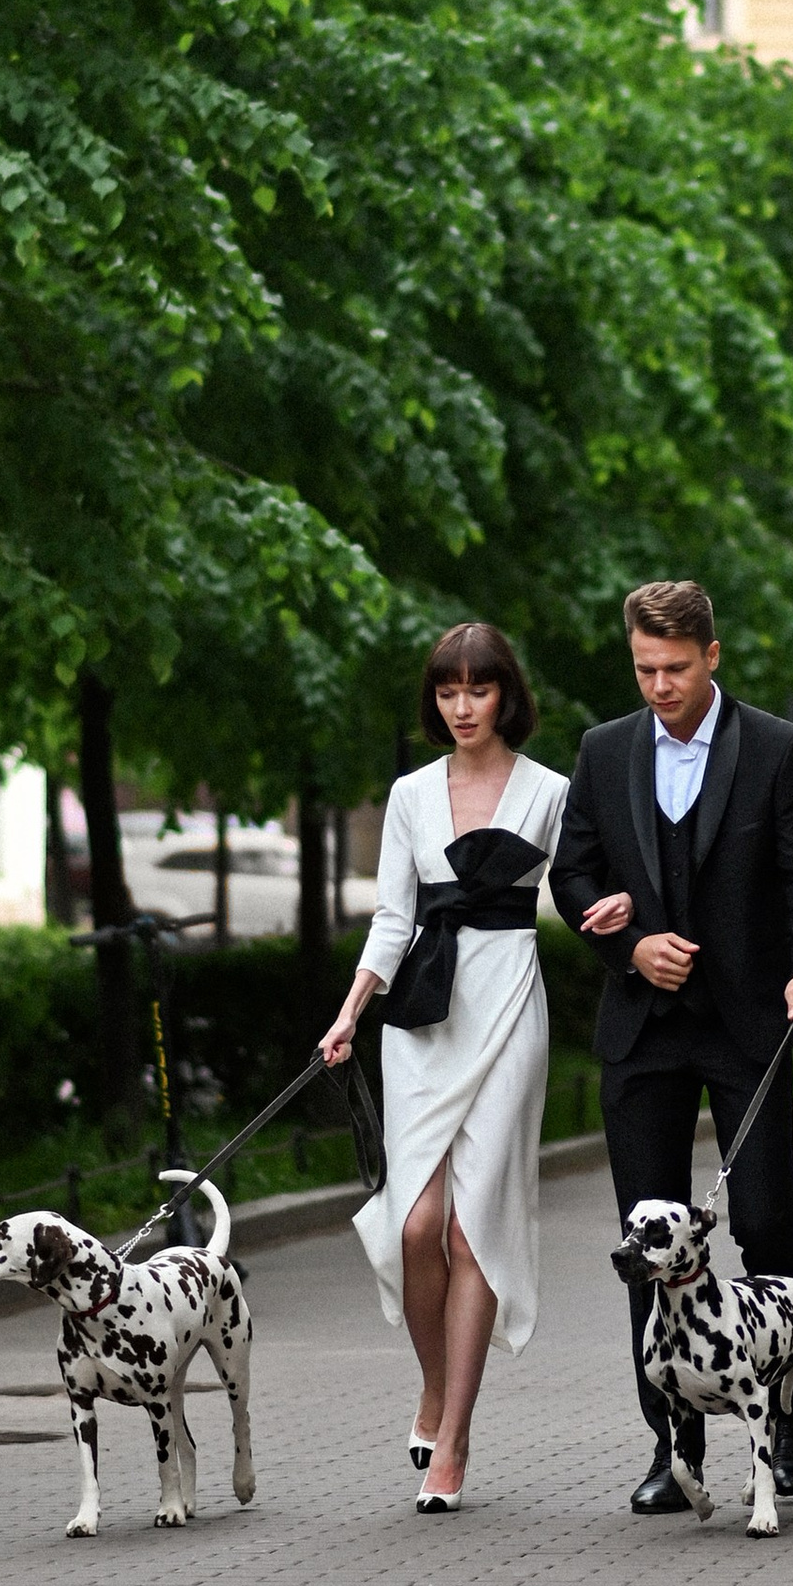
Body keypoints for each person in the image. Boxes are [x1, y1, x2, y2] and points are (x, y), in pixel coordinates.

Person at [318, 620, 627, 1514]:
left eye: (478, 689)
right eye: (448, 691)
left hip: (508, 1008)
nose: (462, 706)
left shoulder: (551, 790)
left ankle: (452, 1438)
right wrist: (350, 1013)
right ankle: (433, 1384)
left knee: (470, 1229)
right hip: (422, 1016)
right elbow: (391, 916)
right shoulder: (410, 794)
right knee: (416, 1226)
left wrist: (614, 910)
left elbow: (582, 883)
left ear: (505, 696)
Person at [549, 577, 793, 1517]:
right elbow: (573, 875)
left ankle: (789, 1423)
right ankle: (674, 1451)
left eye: (675, 668)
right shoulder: (604, 752)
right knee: (647, 1237)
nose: (659, 686)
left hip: (747, 1022)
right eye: (644, 669)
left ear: (712, 656)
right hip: (642, 1030)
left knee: (765, 1220)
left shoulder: (777, 748)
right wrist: (628, 945)